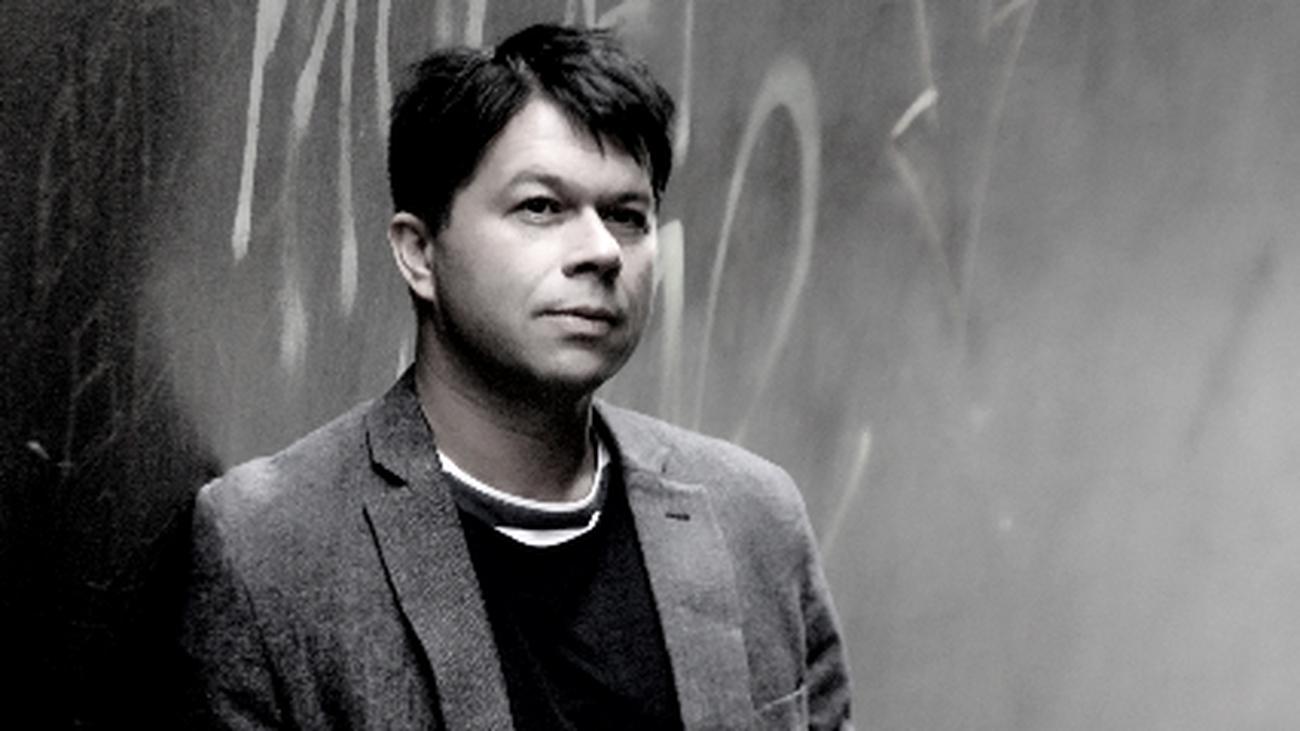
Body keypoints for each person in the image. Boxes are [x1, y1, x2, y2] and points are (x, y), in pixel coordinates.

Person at [182, 23, 852, 730]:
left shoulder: (755, 519)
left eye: (628, 216)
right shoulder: (273, 549)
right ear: (420, 253)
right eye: (542, 207)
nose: (602, 251)